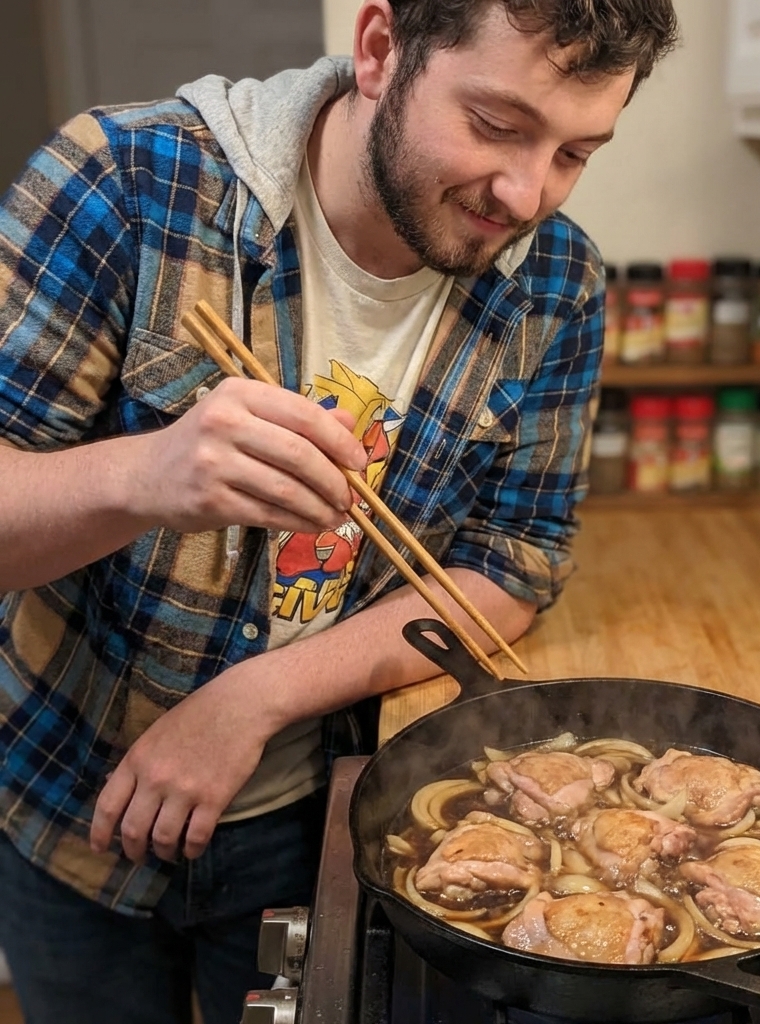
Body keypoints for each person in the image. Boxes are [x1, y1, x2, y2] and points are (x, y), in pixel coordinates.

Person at [0, 1, 676, 1021]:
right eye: (495, 125)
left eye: (576, 151)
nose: (526, 193)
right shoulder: (124, 184)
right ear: (377, 50)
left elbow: (514, 563)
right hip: (65, 792)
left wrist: (252, 697)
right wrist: (145, 475)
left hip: (324, 811)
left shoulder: (557, 283)